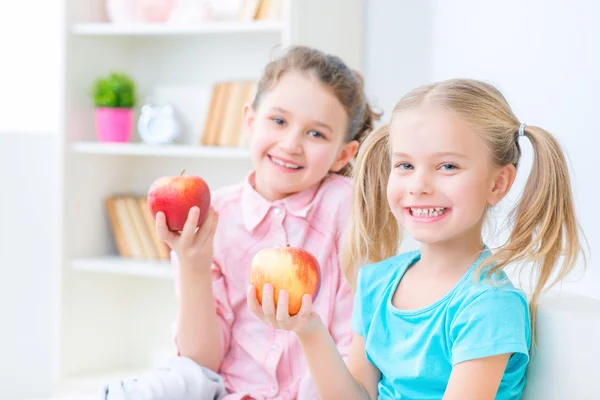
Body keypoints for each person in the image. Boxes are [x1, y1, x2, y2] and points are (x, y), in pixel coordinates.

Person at [248, 78, 586, 399]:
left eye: (448, 166)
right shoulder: (377, 282)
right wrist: (309, 329)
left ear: (497, 184)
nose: (419, 186)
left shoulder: (488, 305)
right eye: (405, 165)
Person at [103, 45, 379, 400]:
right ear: (249, 121)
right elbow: (202, 364)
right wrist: (193, 266)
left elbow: (354, 362)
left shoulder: (350, 212)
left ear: (343, 154)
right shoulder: (211, 214)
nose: (291, 144)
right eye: (278, 121)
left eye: (316, 134)